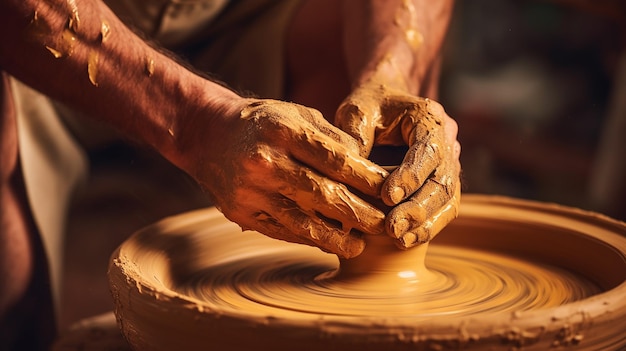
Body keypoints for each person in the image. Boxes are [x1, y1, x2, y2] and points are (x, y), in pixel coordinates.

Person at [0, 0, 460, 349]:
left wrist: (391, 69)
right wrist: (197, 123)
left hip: (232, 19)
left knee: (368, 86)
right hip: (37, 37)